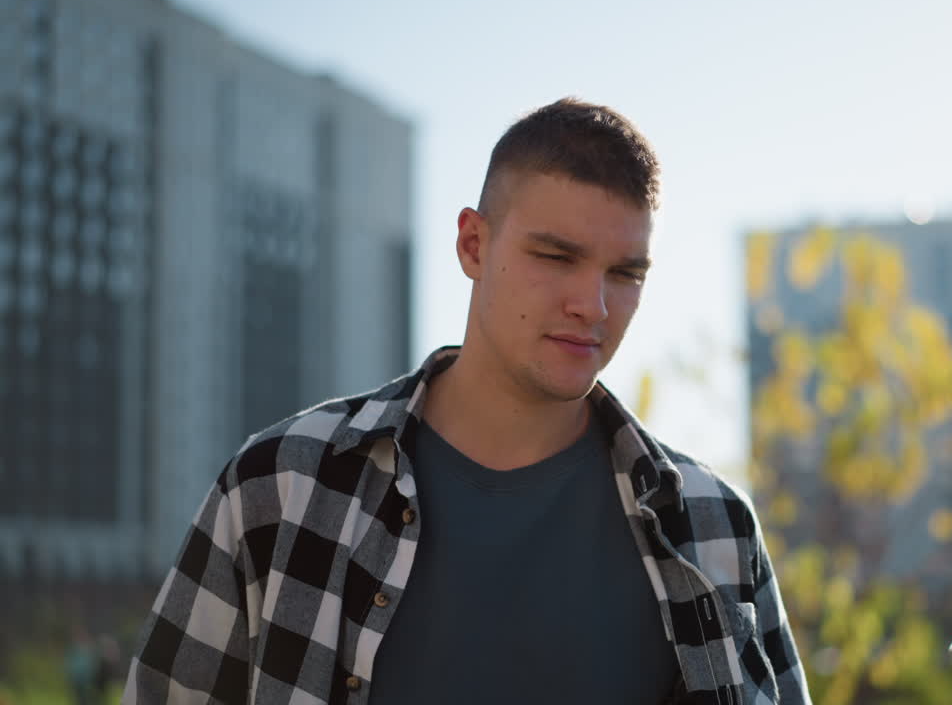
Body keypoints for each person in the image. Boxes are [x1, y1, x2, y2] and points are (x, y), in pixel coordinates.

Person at [123, 97, 810, 704]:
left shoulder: (712, 526)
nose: (592, 306)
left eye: (625, 273)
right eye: (555, 256)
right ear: (472, 244)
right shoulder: (281, 485)